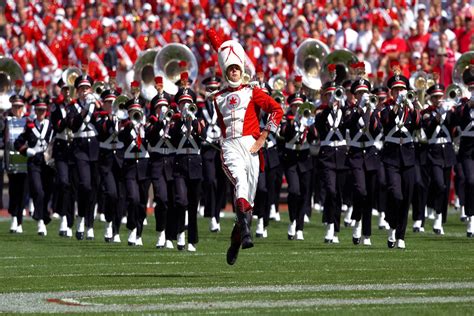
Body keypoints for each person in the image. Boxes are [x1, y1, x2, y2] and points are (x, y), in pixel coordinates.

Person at [206, 29, 283, 265]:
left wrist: (263, 137)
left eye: (236, 68)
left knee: (247, 206)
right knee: (239, 181)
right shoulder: (217, 97)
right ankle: (247, 232)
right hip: (229, 146)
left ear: (241, 69)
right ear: (225, 71)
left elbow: (277, 110)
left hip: (251, 145)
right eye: (230, 69)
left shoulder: (253, 91)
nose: (234, 72)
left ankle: (236, 241)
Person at [379, 68, 420, 249]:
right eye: (396, 90)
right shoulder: (387, 107)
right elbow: (386, 121)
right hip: (391, 157)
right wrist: (396, 105)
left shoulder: (411, 108)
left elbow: (419, 124)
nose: (399, 93)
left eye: (401, 89)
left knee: (407, 196)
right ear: (391, 92)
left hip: (409, 156)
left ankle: (401, 236)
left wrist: (414, 106)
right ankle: (392, 224)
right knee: (395, 194)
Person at [14, 97, 54, 236]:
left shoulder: (51, 125)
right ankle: (41, 221)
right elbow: (17, 143)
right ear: (35, 111)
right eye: (38, 110)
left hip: (48, 164)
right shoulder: (30, 126)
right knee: (38, 191)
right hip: (34, 162)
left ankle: (44, 215)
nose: (41, 112)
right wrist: (26, 151)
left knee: (47, 192)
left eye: (43, 110)